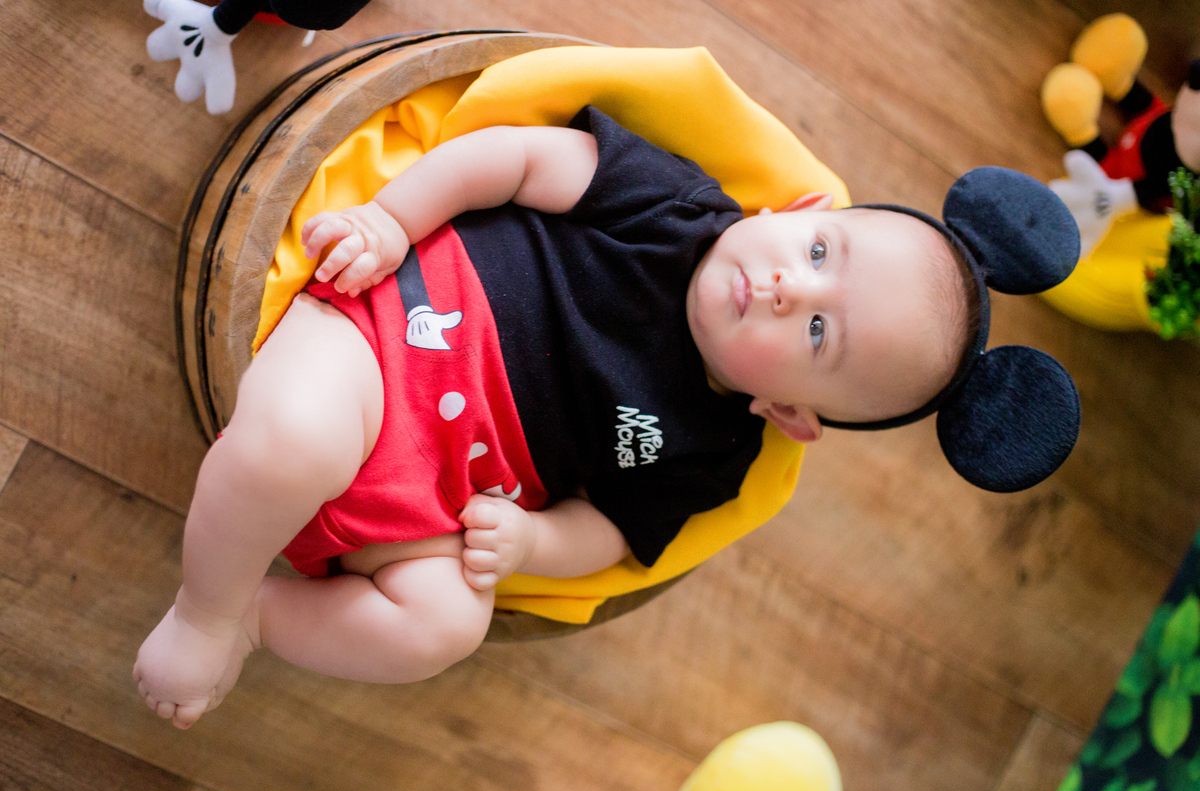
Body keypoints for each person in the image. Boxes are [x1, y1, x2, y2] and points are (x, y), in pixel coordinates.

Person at [133, 106, 1079, 729]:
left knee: (443, 627)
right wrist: (391, 220)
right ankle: (204, 612)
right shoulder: (675, 208)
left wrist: (532, 543)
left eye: (820, 332)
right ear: (795, 208)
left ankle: (260, 619)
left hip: (448, 490)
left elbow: (614, 531)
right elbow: (516, 159)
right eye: (821, 250)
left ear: (790, 412)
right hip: (401, 332)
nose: (790, 287)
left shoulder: (717, 451)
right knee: (294, 442)